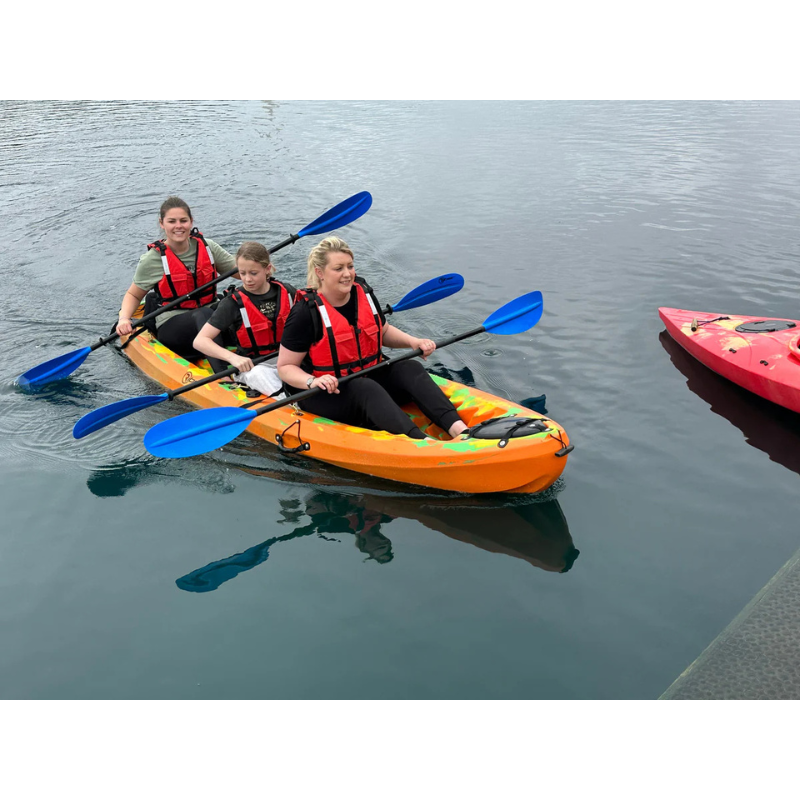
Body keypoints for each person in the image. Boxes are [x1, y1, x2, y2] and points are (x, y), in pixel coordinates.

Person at [276, 236, 469, 440]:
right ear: (320, 272)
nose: (347, 274)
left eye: (350, 266)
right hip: (325, 394)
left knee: (409, 368)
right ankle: (420, 442)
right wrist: (312, 381)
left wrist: (413, 342)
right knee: (365, 388)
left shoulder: (364, 294)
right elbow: (285, 367)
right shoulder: (305, 313)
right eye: (338, 268)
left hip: (367, 377)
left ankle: (459, 429)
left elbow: (382, 331)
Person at [115, 196, 237, 359]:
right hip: (173, 326)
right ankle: (223, 375)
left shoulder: (208, 247)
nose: (178, 226)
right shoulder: (153, 259)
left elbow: (240, 272)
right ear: (162, 223)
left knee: (241, 299)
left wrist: (262, 270)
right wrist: (124, 319)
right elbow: (133, 295)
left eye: (183, 221)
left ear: (191, 222)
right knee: (203, 315)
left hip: (210, 315)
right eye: (172, 221)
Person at [193, 241, 297, 398]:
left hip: (290, 361)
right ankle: (290, 405)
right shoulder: (232, 303)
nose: (247, 279)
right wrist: (233, 358)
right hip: (255, 367)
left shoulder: (287, 292)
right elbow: (200, 341)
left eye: (253, 273)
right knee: (260, 375)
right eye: (242, 273)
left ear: (267, 269)